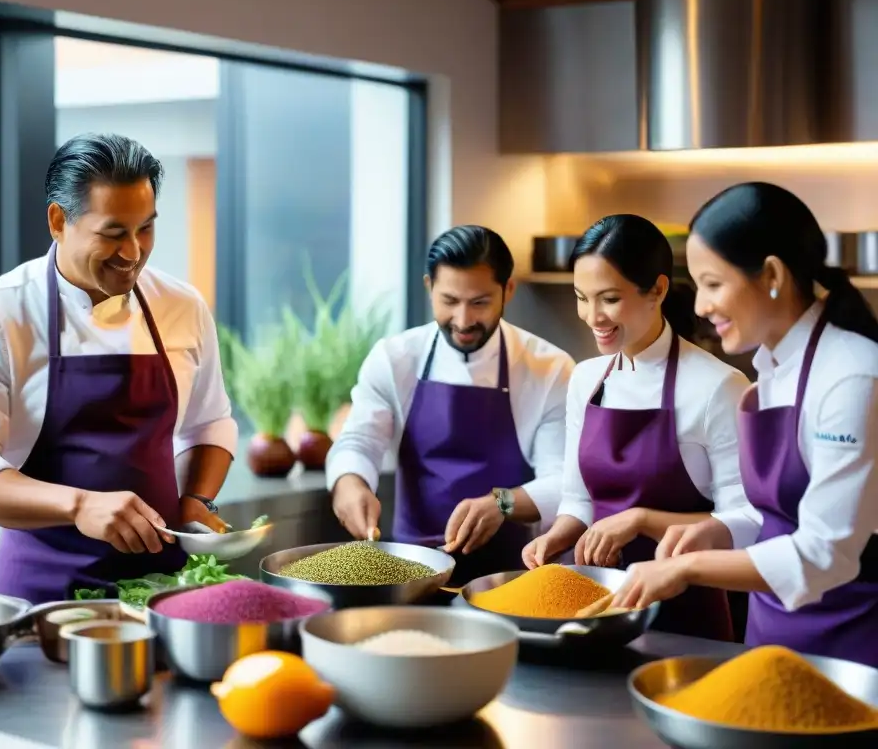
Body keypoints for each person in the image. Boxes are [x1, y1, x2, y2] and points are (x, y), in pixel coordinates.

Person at [0, 133, 238, 604]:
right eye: (113, 233)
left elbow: (209, 422)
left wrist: (196, 500)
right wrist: (80, 505)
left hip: (164, 590)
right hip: (43, 595)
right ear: (58, 220)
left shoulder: (182, 306)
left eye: (146, 229)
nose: (134, 252)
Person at [612, 183, 878, 667]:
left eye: (713, 284)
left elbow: (825, 553)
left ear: (772, 274)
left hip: (852, 648)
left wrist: (690, 568)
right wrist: (719, 531)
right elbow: (776, 515)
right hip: (771, 641)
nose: (699, 306)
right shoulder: (772, 369)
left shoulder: (853, 377)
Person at [522, 215, 751, 641]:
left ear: (658, 290)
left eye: (608, 298)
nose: (593, 316)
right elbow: (579, 499)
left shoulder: (718, 388)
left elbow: (748, 520)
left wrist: (642, 520)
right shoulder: (586, 379)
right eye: (581, 297)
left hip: (684, 618)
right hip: (594, 610)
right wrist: (555, 537)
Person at [327, 225, 575, 585]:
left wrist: (501, 503)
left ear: (508, 290)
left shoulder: (549, 369)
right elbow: (358, 442)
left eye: (479, 303)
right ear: (429, 287)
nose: (462, 321)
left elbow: (564, 480)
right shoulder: (394, 359)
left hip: (510, 577)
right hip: (411, 573)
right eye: (449, 301)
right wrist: (349, 484)